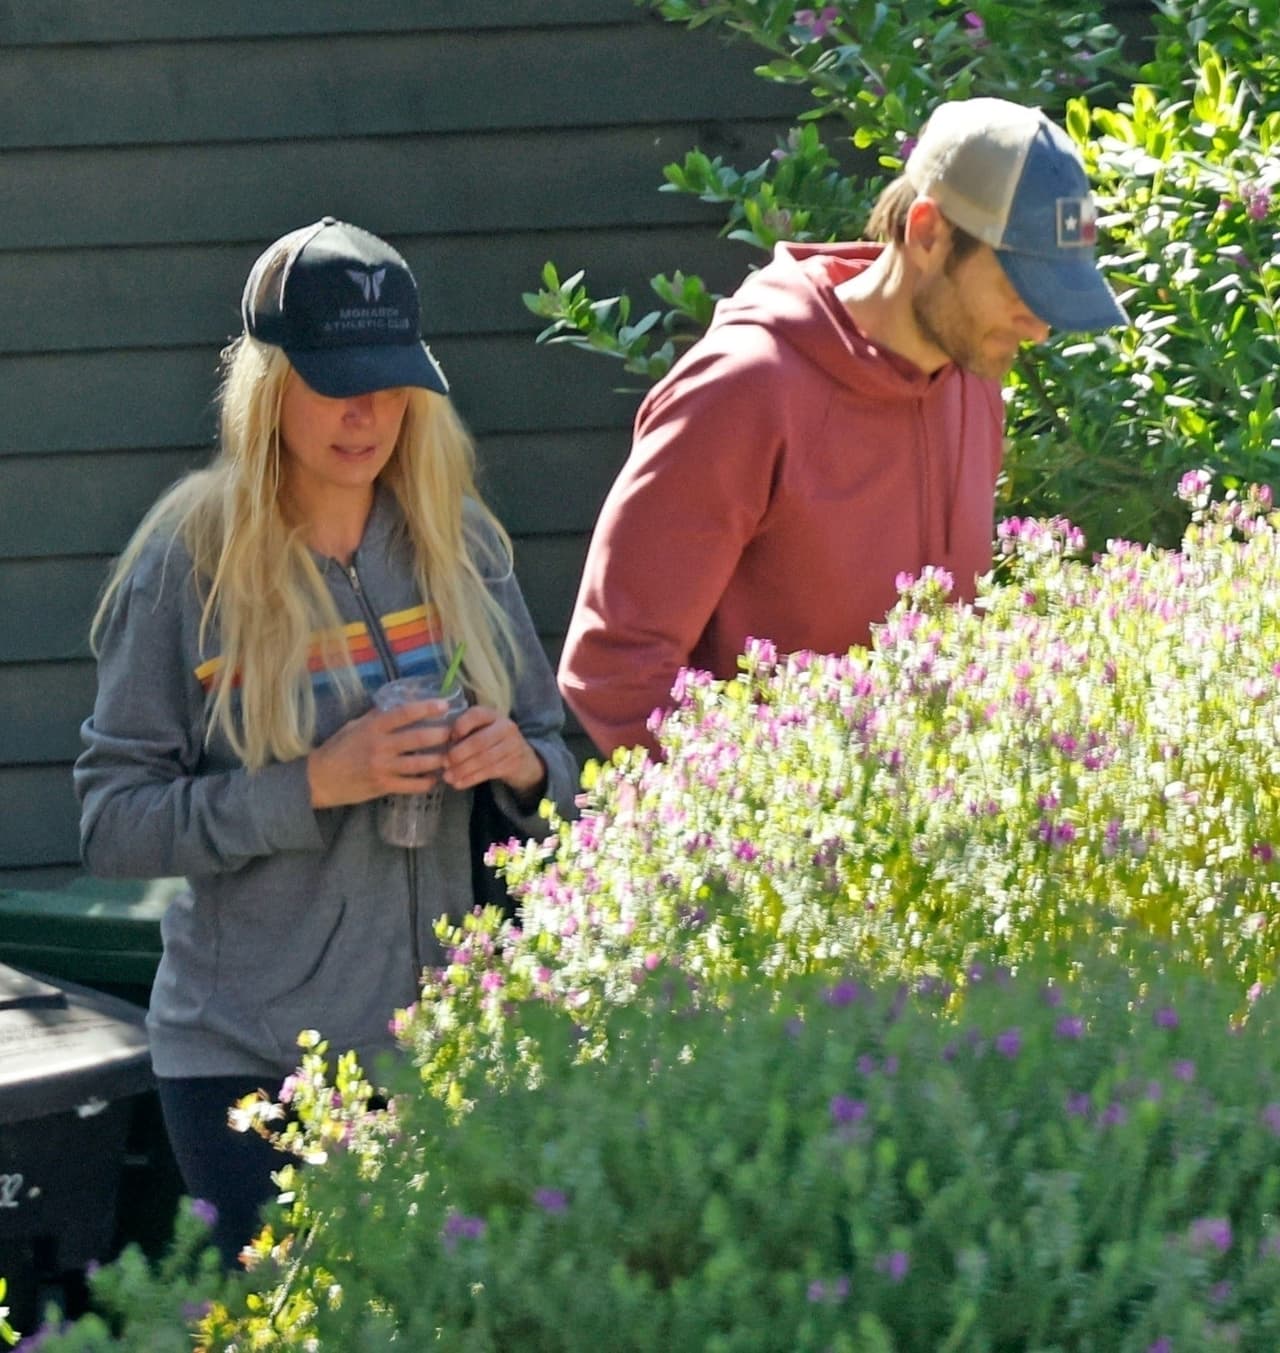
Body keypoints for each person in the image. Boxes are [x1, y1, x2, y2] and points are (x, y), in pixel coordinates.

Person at [74, 217, 578, 1266]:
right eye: (336, 382)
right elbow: (113, 824)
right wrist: (312, 783)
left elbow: (554, 759)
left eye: (392, 383)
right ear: (269, 386)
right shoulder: (188, 564)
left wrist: (518, 767)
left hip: (446, 1049)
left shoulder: (459, 540)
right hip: (248, 1065)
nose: (368, 413)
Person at [558, 97, 1130, 757]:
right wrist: (758, 832)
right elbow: (614, 667)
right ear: (926, 233)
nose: (1039, 326)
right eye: (1019, 287)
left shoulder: (975, 379)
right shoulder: (745, 387)